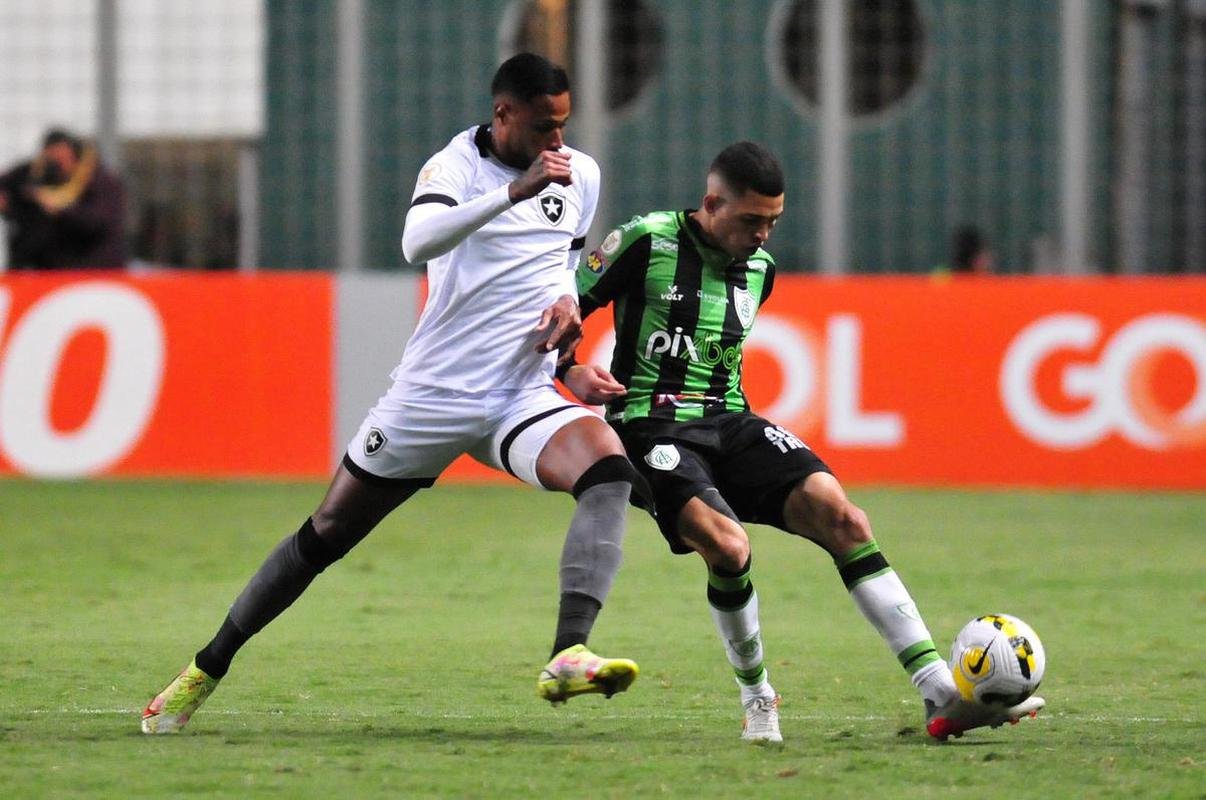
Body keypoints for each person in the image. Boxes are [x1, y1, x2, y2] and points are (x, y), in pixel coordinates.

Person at [141, 52, 645, 734]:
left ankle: (566, 653)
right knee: (326, 534)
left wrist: (568, 330)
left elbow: (558, 261)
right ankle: (206, 667)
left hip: (522, 392)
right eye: (544, 127)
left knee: (608, 472)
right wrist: (512, 192)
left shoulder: (577, 173)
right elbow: (416, 242)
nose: (559, 141)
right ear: (504, 115)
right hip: (432, 398)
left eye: (564, 125)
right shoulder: (454, 167)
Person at [561, 141, 1044, 742]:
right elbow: (563, 307)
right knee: (729, 548)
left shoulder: (760, 272)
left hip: (730, 418)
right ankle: (759, 697)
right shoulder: (646, 239)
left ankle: (939, 691)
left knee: (844, 517)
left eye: (773, 222)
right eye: (751, 221)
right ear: (712, 203)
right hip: (650, 424)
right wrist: (572, 368)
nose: (763, 235)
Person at [0, 128, 126, 269]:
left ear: (74, 155)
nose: (58, 164)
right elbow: (12, 187)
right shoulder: (39, 174)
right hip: (46, 269)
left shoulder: (100, 181)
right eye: (52, 158)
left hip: (94, 269)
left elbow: (98, 221)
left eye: (62, 158)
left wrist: (59, 210)